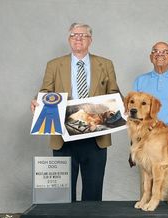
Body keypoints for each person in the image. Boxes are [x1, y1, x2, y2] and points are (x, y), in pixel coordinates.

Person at [30, 23, 120, 202]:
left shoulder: (106, 64)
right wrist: (38, 101)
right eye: (74, 35)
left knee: (93, 193)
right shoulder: (54, 65)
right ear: (69, 39)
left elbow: (114, 93)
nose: (78, 38)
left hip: (96, 137)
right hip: (63, 136)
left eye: (83, 35)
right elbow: (45, 92)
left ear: (90, 40)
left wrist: (115, 104)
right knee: (62, 194)